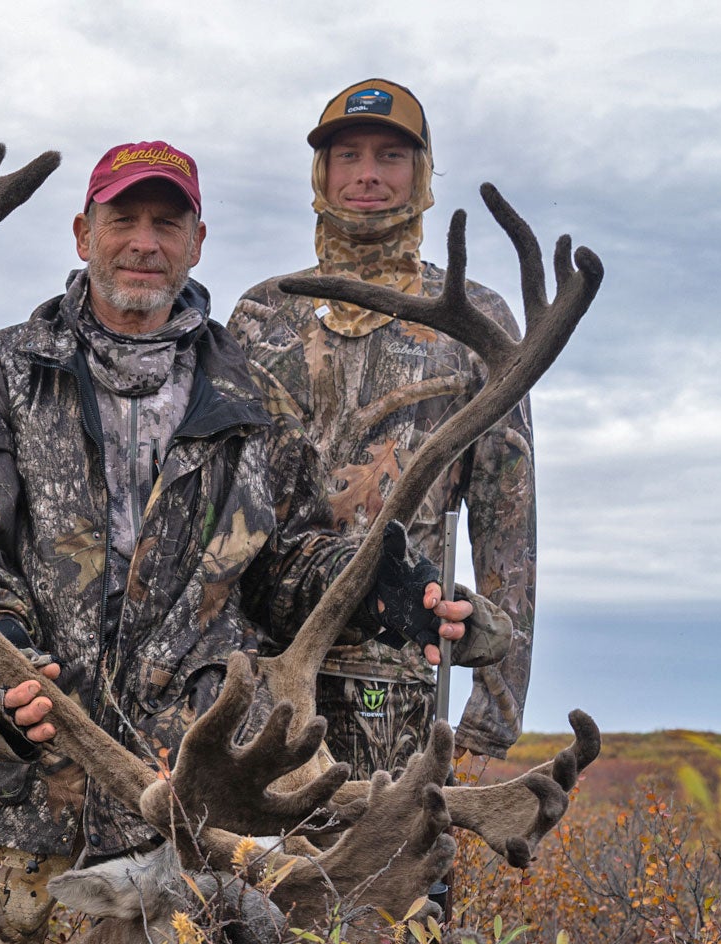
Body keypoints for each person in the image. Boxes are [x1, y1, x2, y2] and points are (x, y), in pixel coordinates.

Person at [0, 138, 495, 943]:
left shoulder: (252, 398)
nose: (144, 243)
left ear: (197, 242)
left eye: (168, 222)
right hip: (8, 807)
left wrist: (384, 588)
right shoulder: (1, 373)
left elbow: (288, 562)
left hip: (184, 817)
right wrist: (11, 670)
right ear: (84, 234)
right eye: (124, 219)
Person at [228, 79, 536, 778]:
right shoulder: (261, 314)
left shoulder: (475, 320)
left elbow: (506, 523)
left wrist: (493, 712)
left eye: (391, 156)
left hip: (400, 684)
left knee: (399, 880)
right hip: (265, 681)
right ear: (323, 173)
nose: (367, 175)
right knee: (250, 880)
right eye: (348, 156)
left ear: (420, 175)